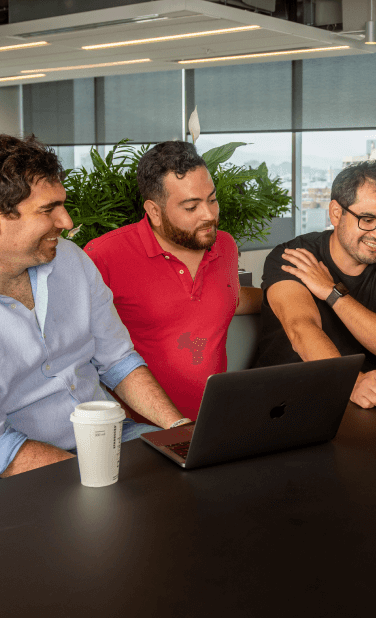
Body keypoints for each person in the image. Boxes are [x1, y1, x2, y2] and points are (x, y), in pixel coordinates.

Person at [0, 135, 189, 491]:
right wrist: (104, 478)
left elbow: (118, 362)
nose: (66, 220)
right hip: (13, 477)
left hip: (112, 440)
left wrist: (179, 431)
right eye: (48, 209)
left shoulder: (71, 260)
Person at [85, 141, 261, 422]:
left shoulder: (224, 245)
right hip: (135, 431)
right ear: (154, 211)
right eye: (191, 207)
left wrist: (289, 293)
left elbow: (230, 298)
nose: (209, 215)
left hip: (211, 422)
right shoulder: (102, 256)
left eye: (212, 200)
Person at [255, 161, 376, 409]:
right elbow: (302, 329)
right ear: (335, 213)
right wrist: (351, 383)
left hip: (364, 401)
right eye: (367, 219)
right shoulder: (294, 256)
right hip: (285, 401)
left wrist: (333, 293)